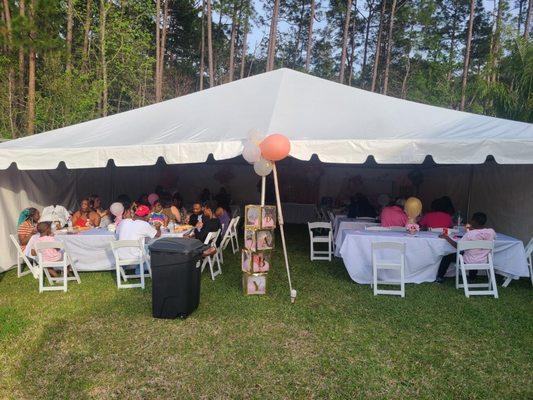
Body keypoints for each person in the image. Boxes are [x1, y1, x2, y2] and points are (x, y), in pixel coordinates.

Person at [435, 212, 496, 283]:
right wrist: (473, 229)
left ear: (474, 221)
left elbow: (458, 246)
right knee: (475, 254)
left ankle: (440, 277)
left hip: (469, 260)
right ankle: (471, 278)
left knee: (447, 257)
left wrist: (447, 238)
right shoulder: (491, 232)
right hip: (484, 260)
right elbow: (481, 234)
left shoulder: (470, 234)